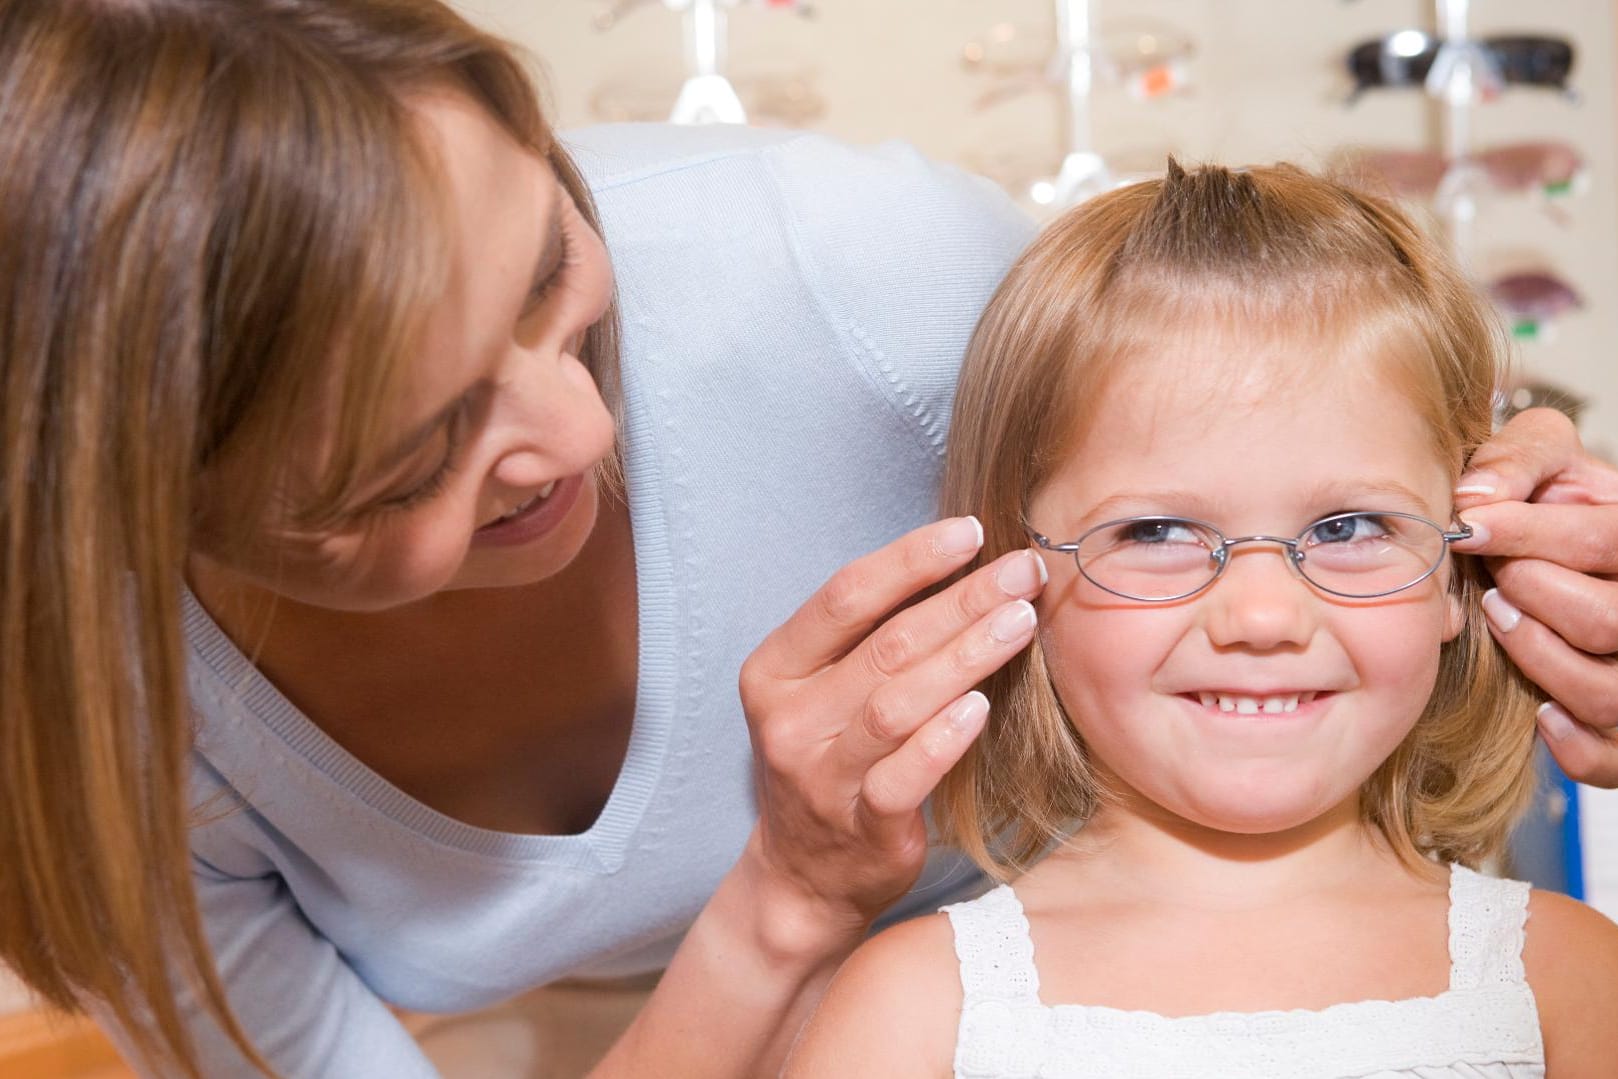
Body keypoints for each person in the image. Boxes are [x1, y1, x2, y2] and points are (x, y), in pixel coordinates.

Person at [1, 1, 1616, 1076]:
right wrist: (781, 898)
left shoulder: (851, 268)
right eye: (411, 450)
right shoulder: (110, 778)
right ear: (140, 508)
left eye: (550, 280)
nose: (580, 433)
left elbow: (1243, 378)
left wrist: (1496, 490)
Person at [785, 161, 1618, 1077]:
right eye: (1158, 530)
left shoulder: (1565, 982)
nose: (1263, 615)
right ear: (1013, 579)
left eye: (1347, 527)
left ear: (1457, 574)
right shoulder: (914, 1010)